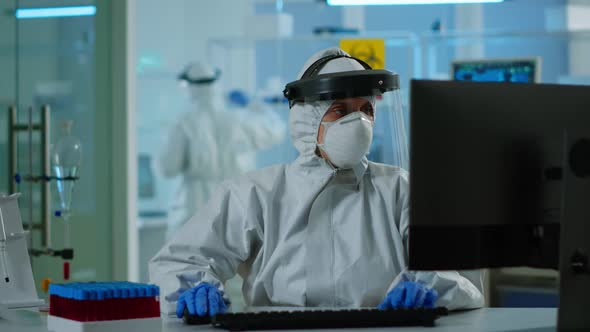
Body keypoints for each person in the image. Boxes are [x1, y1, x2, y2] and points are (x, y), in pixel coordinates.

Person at [150, 48, 484, 317]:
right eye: (340, 110)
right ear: (308, 118)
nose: (359, 123)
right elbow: (181, 260)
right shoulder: (256, 193)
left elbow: (460, 272)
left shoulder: (400, 189)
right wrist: (195, 288)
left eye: (366, 109)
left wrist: (431, 287)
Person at [158, 62, 285, 236]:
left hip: (195, 206)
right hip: (236, 204)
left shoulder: (183, 123)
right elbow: (277, 129)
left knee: (193, 258)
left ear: (189, 87)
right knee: (237, 258)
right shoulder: (240, 119)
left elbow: (168, 168)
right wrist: (253, 104)